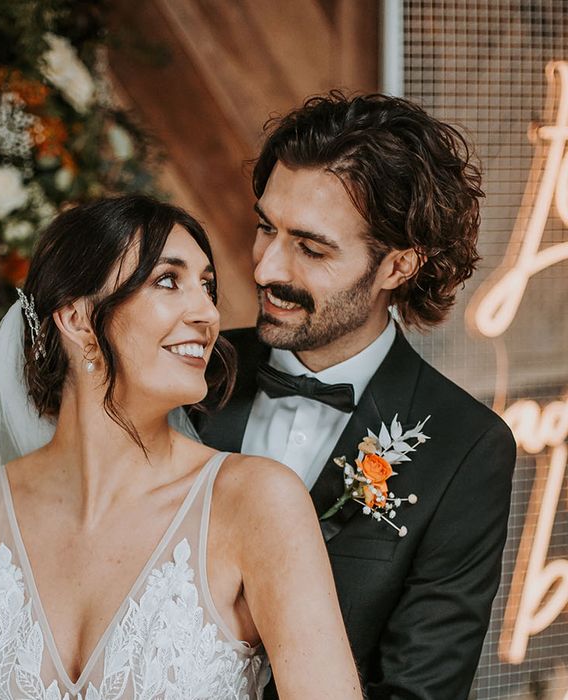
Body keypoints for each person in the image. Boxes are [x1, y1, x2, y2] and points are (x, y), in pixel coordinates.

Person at [0, 195, 362, 699]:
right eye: (168, 280)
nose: (207, 313)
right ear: (79, 319)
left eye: (208, 287)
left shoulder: (256, 503)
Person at [191, 93, 517, 699]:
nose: (265, 268)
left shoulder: (466, 449)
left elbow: (418, 690)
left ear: (397, 265)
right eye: (266, 227)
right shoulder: (186, 374)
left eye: (311, 249)